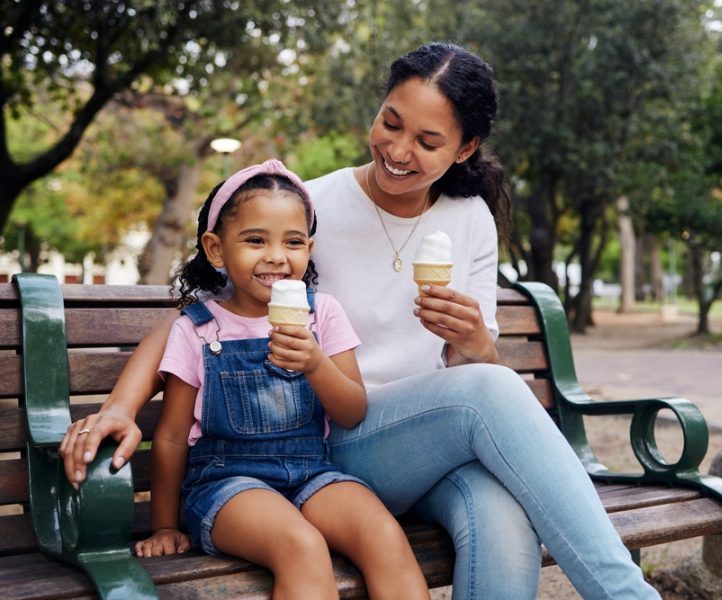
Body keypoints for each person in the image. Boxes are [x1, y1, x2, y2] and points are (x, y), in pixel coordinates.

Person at [61, 43, 660, 599]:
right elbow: (200, 319)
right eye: (391, 122)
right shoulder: (309, 209)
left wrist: (475, 341)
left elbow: (466, 375)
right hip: (327, 436)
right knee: (492, 389)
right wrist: (120, 403)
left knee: (503, 517)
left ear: (466, 149)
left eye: (428, 141)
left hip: (422, 446)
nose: (399, 151)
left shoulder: (470, 217)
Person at [130, 158, 429, 599]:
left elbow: (352, 410)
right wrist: (164, 526)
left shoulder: (321, 313)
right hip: (226, 484)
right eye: (255, 240)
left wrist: (315, 363)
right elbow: (172, 437)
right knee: (301, 545)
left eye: (293, 242)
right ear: (215, 249)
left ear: (308, 248)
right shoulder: (197, 328)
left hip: (311, 473)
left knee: (382, 532)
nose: (276, 256)